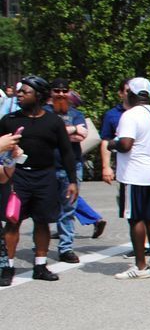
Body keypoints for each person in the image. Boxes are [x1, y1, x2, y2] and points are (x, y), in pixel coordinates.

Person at [0, 77, 77, 284]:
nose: (20, 94)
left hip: (45, 176)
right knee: (12, 221)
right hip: (18, 176)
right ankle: (7, 267)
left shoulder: (53, 122)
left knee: (42, 222)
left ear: (39, 96)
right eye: (20, 91)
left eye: (26, 92)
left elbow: (67, 152)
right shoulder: (9, 120)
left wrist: (72, 181)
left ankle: (40, 265)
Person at [107, 77, 150, 279]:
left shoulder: (130, 115)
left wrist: (112, 144)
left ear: (131, 94)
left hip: (133, 173)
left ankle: (140, 266)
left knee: (135, 218)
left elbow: (125, 144)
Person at [48, 78, 104, 261]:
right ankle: (39, 248)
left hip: (72, 167)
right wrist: (71, 131)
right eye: (57, 90)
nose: (61, 94)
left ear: (69, 92)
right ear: (51, 92)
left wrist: (60, 133)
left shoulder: (76, 113)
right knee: (42, 209)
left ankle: (66, 248)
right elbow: (46, 133)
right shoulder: (44, 113)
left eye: (64, 91)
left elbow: (83, 135)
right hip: (47, 167)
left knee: (68, 209)